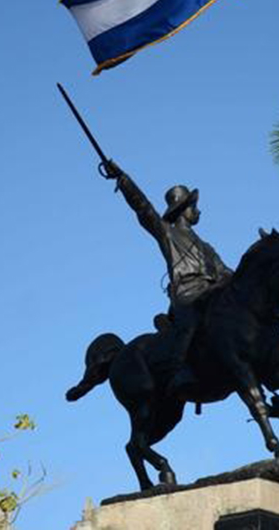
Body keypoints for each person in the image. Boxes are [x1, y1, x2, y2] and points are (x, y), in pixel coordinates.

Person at [104, 161, 232, 395]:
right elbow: (143, 208)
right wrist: (123, 179)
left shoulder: (207, 247)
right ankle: (179, 370)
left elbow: (226, 273)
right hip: (187, 295)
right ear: (185, 209)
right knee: (192, 320)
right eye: (195, 206)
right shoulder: (167, 233)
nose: (199, 211)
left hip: (211, 294)